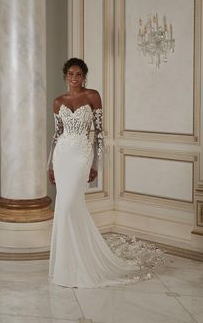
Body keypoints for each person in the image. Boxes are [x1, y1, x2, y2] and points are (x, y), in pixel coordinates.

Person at [47, 58, 164, 288]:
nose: (74, 78)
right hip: (62, 156)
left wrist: (95, 164)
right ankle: (66, 264)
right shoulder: (57, 101)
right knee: (64, 207)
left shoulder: (93, 96)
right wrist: (51, 165)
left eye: (79, 74)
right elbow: (56, 135)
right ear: (65, 75)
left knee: (70, 204)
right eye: (70, 73)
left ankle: (84, 260)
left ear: (84, 76)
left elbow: (99, 133)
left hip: (81, 153)